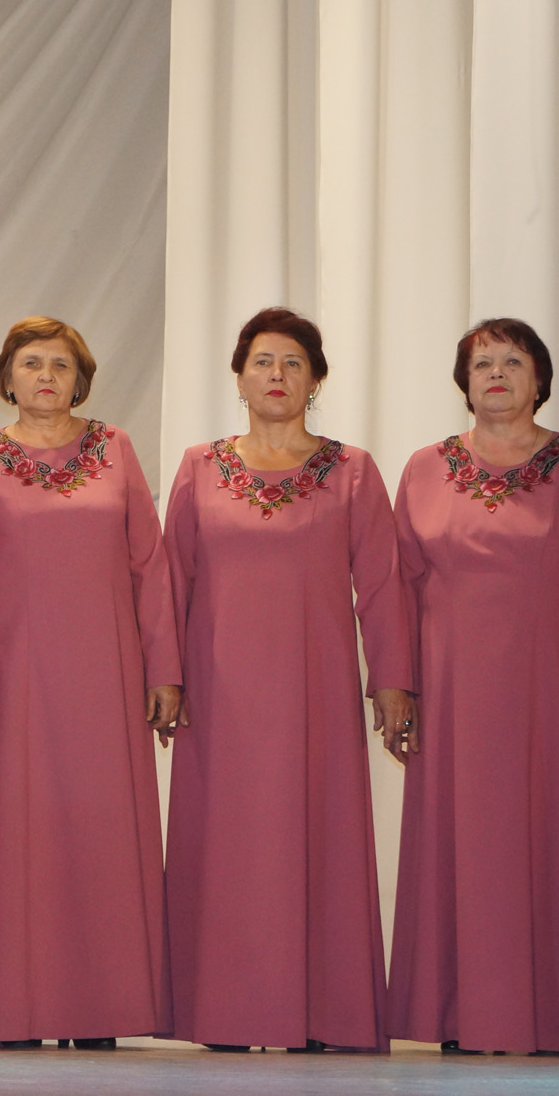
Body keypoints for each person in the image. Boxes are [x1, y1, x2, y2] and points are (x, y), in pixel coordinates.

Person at [162, 306, 414, 1052]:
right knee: (228, 848)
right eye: (263, 362)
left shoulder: (352, 470)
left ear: (316, 381)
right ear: (238, 378)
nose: (277, 375)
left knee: (319, 838)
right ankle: (226, 1014)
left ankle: (324, 1014)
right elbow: (171, 579)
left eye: (293, 363)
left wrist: (392, 681)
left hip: (315, 694)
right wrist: (165, 676)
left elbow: (382, 585)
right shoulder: (199, 466)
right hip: (219, 694)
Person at [0, 317, 179, 1049]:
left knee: (98, 836)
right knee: (14, 842)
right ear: (6, 377)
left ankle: (99, 1010)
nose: (45, 375)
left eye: (60, 364)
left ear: (80, 379)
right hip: (10, 681)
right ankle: (12, 1011)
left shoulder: (115, 449)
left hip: (104, 679)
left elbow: (149, 566)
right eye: (30, 363)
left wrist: (164, 670)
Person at [389, 318, 559, 1053]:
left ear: (539, 379)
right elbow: (395, 585)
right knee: (462, 845)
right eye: (482, 362)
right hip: (451, 691)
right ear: (462, 382)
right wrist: (395, 686)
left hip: (546, 689)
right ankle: (461, 1016)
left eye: (513, 361)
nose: (496, 373)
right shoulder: (424, 468)